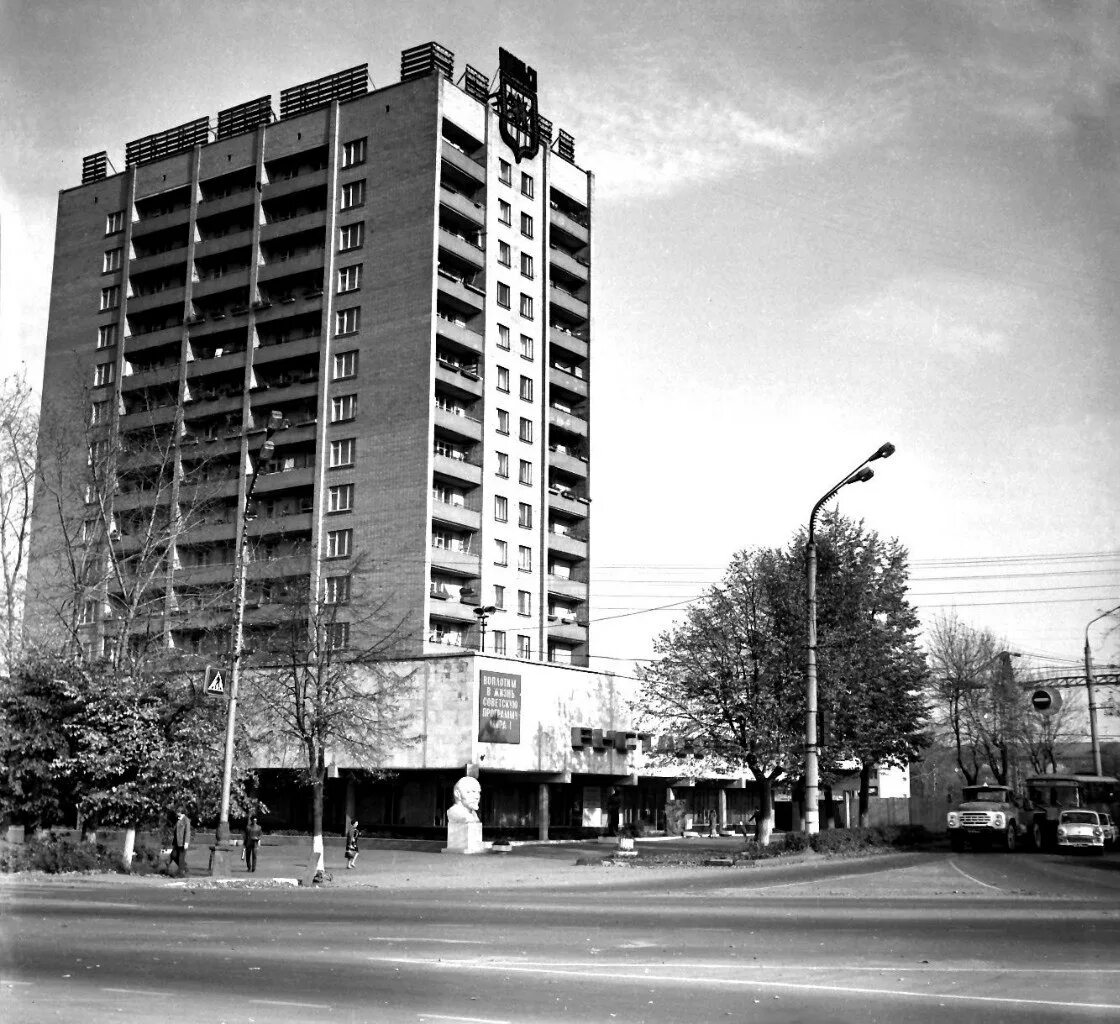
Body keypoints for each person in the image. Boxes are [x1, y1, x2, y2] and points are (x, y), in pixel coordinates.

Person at [171, 808, 191, 877]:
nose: (176, 813)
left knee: (181, 858)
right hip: (176, 842)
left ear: (180, 812)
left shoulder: (186, 820)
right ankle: (184, 867)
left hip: (182, 842)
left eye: (177, 812)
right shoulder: (178, 819)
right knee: (173, 855)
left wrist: (186, 842)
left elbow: (187, 832)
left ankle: (181, 873)